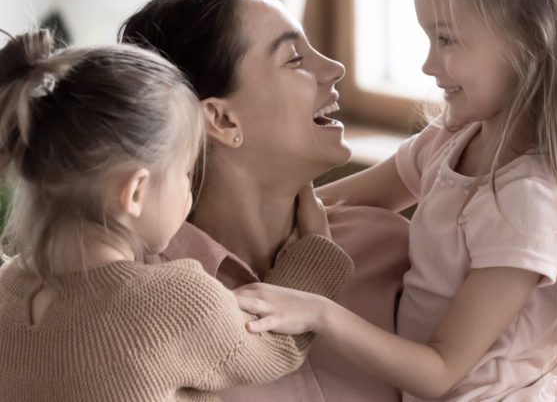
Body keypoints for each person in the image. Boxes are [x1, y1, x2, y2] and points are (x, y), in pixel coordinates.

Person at [234, 0, 557, 402]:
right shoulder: (449, 141)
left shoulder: (528, 202)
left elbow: (439, 369)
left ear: (534, 45)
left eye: (447, 40)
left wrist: (317, 311)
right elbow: (336, 203)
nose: (428, 64)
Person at [0, 29, 353, 401]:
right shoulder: (175, 301)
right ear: (135, 192)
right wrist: (315, 255)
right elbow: (274, 346)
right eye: (186, 172)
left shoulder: (7, 289)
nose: (190, 190)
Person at [119, 0, 410, 401]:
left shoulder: (391, 250)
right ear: (223, 121)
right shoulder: (141, 304)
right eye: (295, 58)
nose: (334, 68)